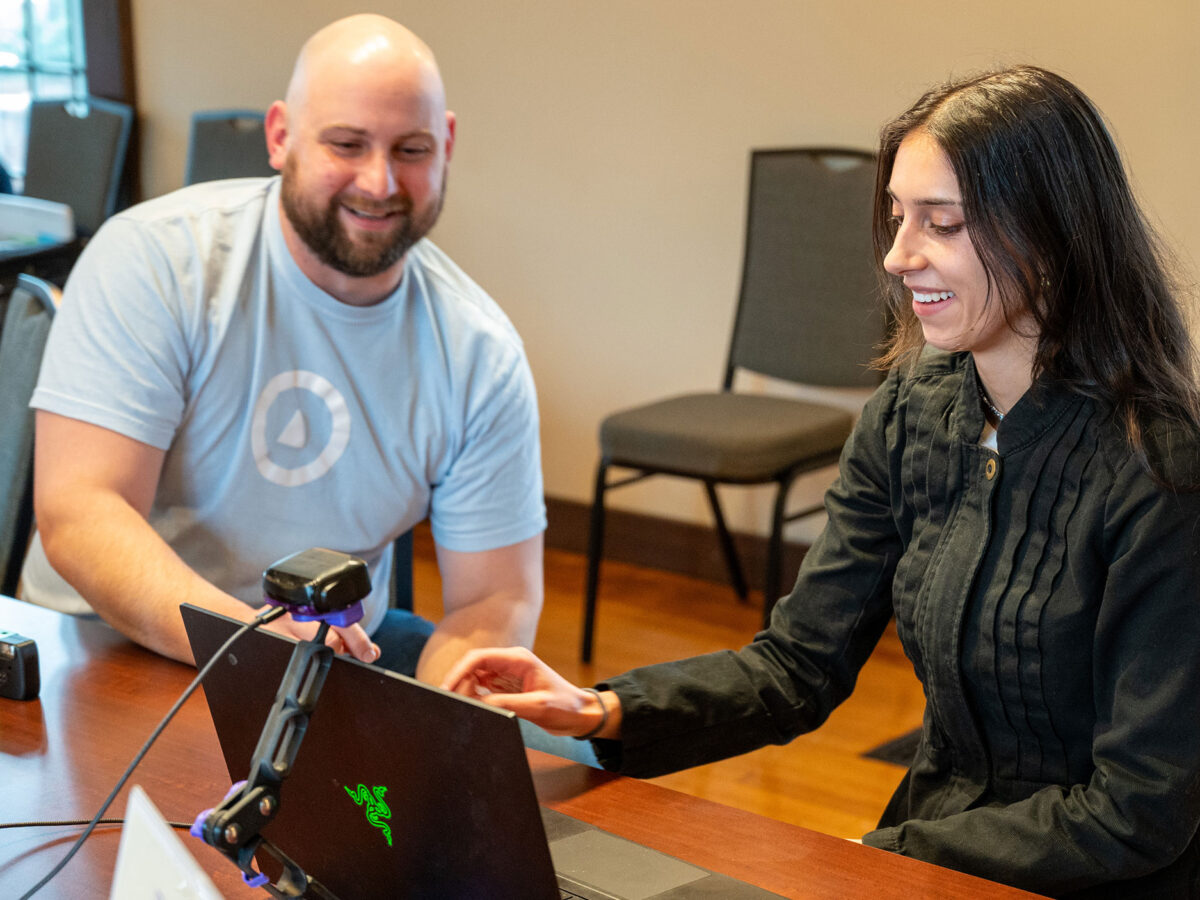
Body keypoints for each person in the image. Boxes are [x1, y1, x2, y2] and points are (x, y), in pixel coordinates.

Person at [443, 66, 1200, 897]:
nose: (898, 255)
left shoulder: (1160, 473)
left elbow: (1138, 809)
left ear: (1050, 237)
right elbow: (796, 665)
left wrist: (883, 859)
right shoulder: (913, 410)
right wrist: (602, 709)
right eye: (897, 218)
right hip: (922, 847)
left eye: (940, 224)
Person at [23, 15, 546, 691]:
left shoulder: (481, 354)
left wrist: (443, 718)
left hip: (326, 661)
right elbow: (81, 513)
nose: (381, 182)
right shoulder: (156, 261)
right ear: (280, 137)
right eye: (348, 144)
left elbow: (493, 599)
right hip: (106, 643)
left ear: (446, 144)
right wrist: (255, 641)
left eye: (411, 150)